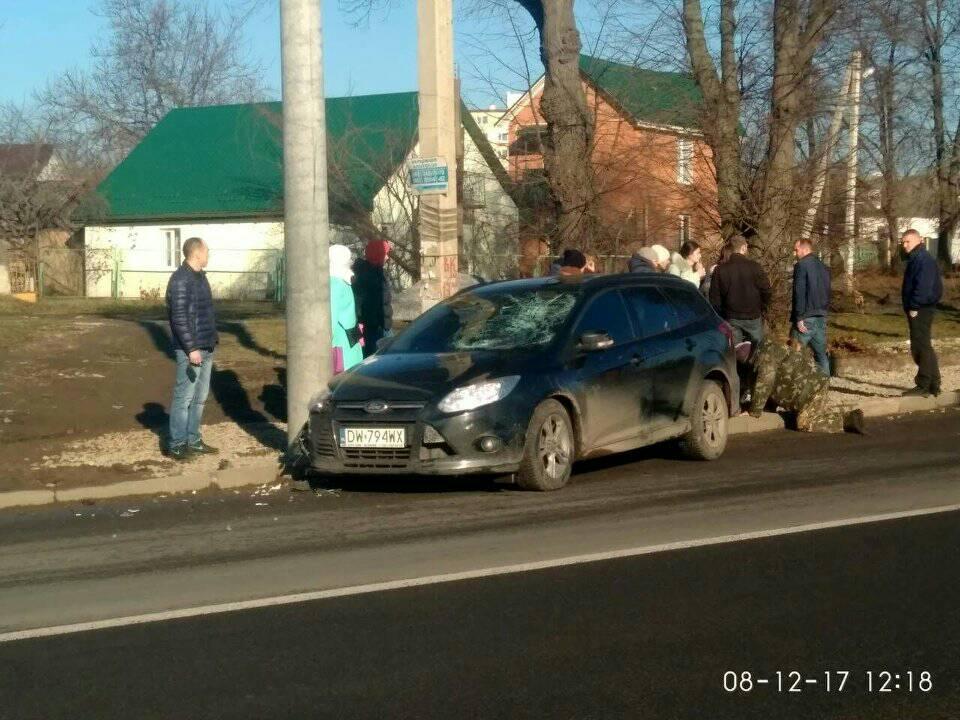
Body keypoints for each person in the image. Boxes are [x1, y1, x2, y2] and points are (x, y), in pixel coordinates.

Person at [165, 237, 219, 460]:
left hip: (206, 345)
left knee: (199, 397)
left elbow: (203, 314)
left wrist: (210, 342)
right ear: (197, 253)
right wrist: (191, 348)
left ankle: (194, 439)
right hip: (191, 350)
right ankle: (177, 443)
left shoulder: (200, 278)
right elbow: (178, 318)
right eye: (207, 251)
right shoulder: (180, 280)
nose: (209, 254)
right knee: (184, 397)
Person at [747, 338, 865, 434]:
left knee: (804, 423)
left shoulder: (766, 359)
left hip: (810, 389)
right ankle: (848, 411)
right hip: (816, 380)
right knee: (816, 410)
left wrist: (755, 411)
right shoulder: (770, 346)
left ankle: (846, 420)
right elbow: (775, 381)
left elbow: (765, 381)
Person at [900, 229, 943, 397]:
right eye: (903, 242)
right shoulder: (919, 258)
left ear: (918, 241)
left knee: (920, 346)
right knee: (924, 345)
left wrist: (915, 306)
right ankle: (934, 383)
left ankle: (924, 384)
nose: (904, 245)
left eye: (907, 242)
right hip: (922, 307)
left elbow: (923, 287)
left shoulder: (922, 260)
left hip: (921, 309)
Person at [708, 235, 772, 346]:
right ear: (743, 248)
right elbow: (766, 291)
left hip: (731, 317)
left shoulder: (720, 270)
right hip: (753, 315)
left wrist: (721, 316)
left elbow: (714, 298)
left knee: (735, 350)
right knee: (757, 351)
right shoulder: (755, 267)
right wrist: (763, 307)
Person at [791, 238, 831, 375]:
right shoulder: (823, 266)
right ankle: (824, 387)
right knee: (821, 355)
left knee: (792, 355)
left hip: (806, 317)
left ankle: (791, 388)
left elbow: (799, 292)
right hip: (821, 315)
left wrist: (799, 316)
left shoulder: (801, 265)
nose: (794, 253)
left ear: (805, 249)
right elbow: (827, 290)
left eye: (796, 250)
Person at [353, 239, 394, 358]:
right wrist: (372, 323)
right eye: (385, 254)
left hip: (383, 326)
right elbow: (361, 304)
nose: (387, 258)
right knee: (378, 360)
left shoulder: (378, 272)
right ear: (378, 254)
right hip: (374, 329)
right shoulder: (366, 276)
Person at [329, 245, 364, 372]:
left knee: (340, 381)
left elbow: (331, 317)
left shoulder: (333, 283)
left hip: (339, 342)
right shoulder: (344, 279)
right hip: (351, 341)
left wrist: (324, 342)